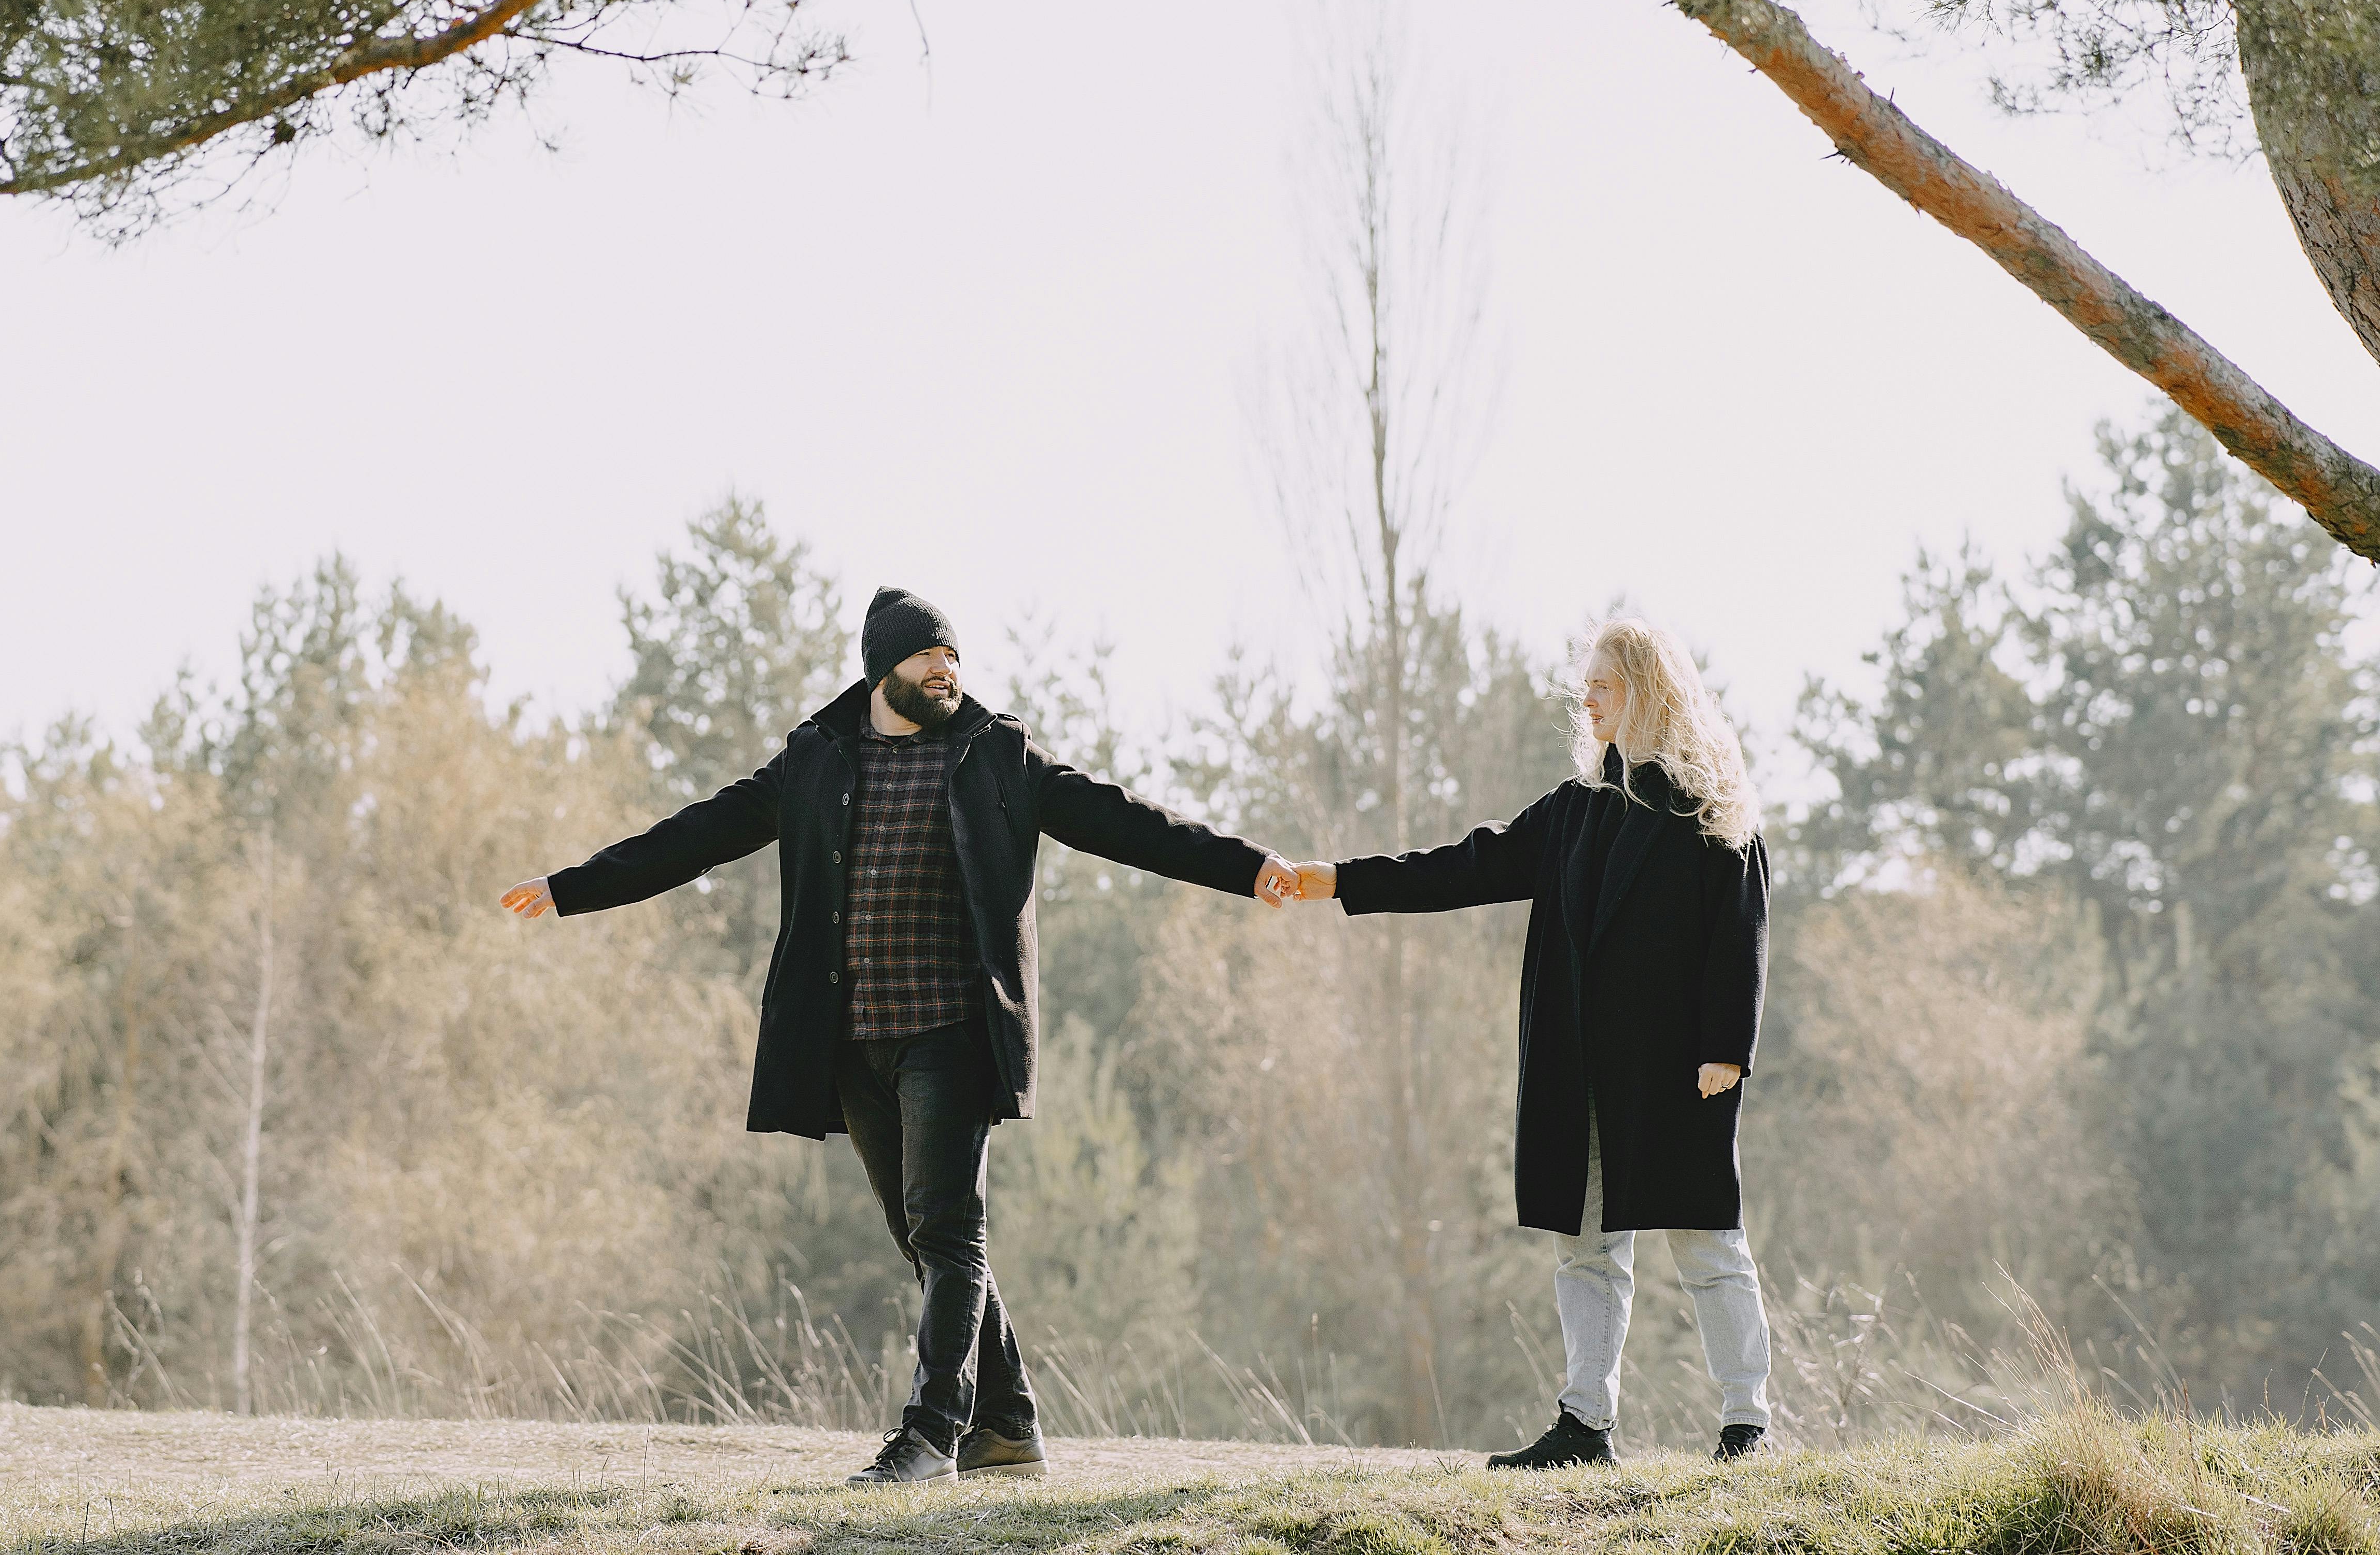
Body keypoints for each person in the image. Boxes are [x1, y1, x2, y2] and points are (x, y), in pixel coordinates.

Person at [503, 585, 1301, 1484]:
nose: (946, 671)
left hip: (955, 1030)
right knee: (924, 1237)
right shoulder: (814, 760)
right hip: (851, 1039)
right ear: (885, 669)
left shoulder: (1000, 757)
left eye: (955, 658)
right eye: (929, 657)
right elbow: (697, 837)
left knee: (950, 1228)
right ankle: (1008, 1427)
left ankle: (930, 1436)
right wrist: (574, 887)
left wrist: (1248, 867)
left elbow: (1127, 824)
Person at [1295, 616, 1775, 1464]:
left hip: (1677, 1075)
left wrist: (1727, 1049)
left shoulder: (1710, 810)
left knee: (1707, 1247)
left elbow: (1741, 933)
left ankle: (1749, 1426)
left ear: (1649, 693)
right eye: (1584, 684)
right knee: (1585, 1254)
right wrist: (1342, 881)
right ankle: (1584, 1424)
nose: (1586, 698)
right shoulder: (1573, 810)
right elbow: (1466, 865)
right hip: (1576, 1076)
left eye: (1604, 684)